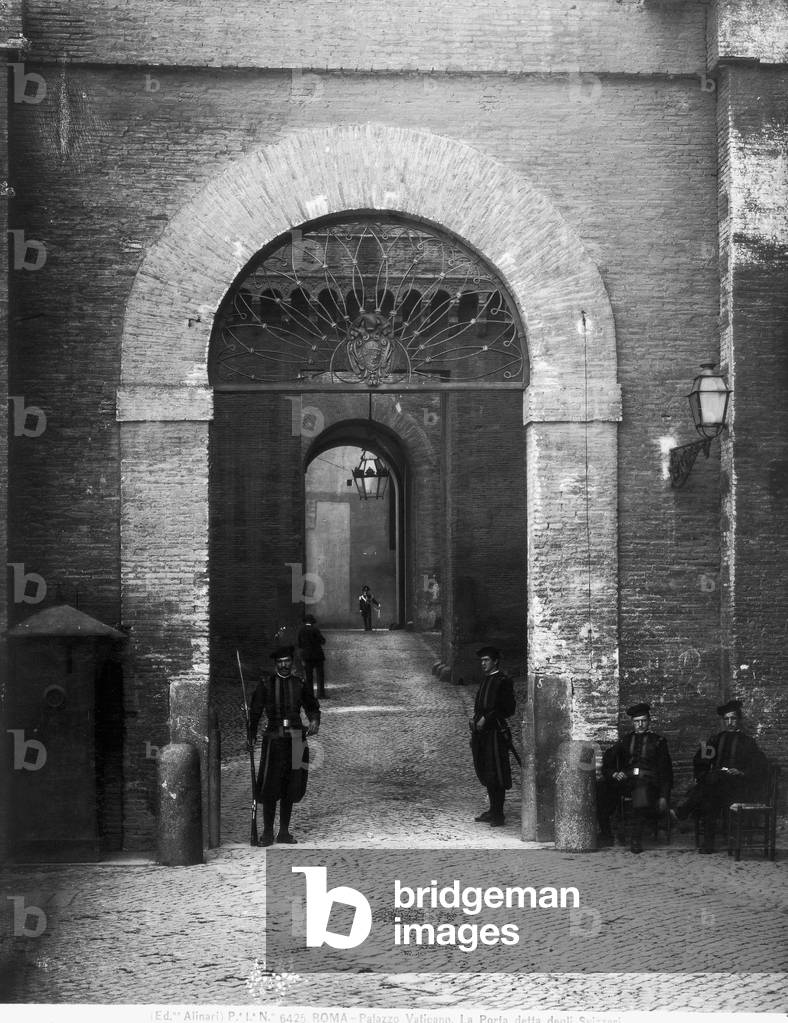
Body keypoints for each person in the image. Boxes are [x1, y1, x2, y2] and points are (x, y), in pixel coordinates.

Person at [247, 645, 320, 847]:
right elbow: (255, 712)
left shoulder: (300, 684)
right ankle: (268, 833)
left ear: (292, 662)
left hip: (297, 740)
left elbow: (312, 706)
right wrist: (251, 735)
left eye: (287, 661)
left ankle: (284, 832)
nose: (284, 665)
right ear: (276, 664)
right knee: (271, 787)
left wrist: (314, 720)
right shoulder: (266, 684)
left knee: (292, 785)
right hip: (274, 741)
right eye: (280, 662)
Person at [674, 698, 767, 853]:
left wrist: (741, 772)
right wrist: (704, 774)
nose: (730, 722)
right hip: (716, 786)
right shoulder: (715, 740)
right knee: (710, 797)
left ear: (739, 720)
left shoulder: (748, 742)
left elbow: (760, 765)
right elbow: (701, 760)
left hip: (737, 788)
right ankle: (708, 844)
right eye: (727, 719)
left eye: (733, 718)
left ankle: (684, 810)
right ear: (723, 721)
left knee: (710, 788)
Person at [596, 702, 673, 854]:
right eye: (637, 721)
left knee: (640, 792)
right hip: (627, 781)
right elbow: (609, 760)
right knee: (601, 789)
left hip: (648, 783)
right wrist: (614, 773)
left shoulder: (658, 742)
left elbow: (666, 771)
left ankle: (635, 839)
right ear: (633, 723)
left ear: (649, 721)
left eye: (643, 721)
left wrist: (664, 795)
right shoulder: (625, 741)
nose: (640, 724)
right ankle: (606, 833)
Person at [469, 646, 517, 827]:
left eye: (486, 660)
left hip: (496, 734)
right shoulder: (486, 680)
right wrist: (475, 720)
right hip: (482, 735)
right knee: (486, 772)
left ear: (495, 661)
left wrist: (487, 719)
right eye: (481, 661)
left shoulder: (503, 681)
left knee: (497, 772)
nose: (483, 664)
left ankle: (499, 814)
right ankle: (492, 810)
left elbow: (507, 709)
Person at [297, 613, 327, 698]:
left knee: (309, 677)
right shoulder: (315, 629)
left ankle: (310, 694)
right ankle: (321, 694)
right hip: (317, 656)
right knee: (320, 676)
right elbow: (322, 641)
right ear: (312, 621)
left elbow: (299, 644)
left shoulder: (301, 630)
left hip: (307, 656)